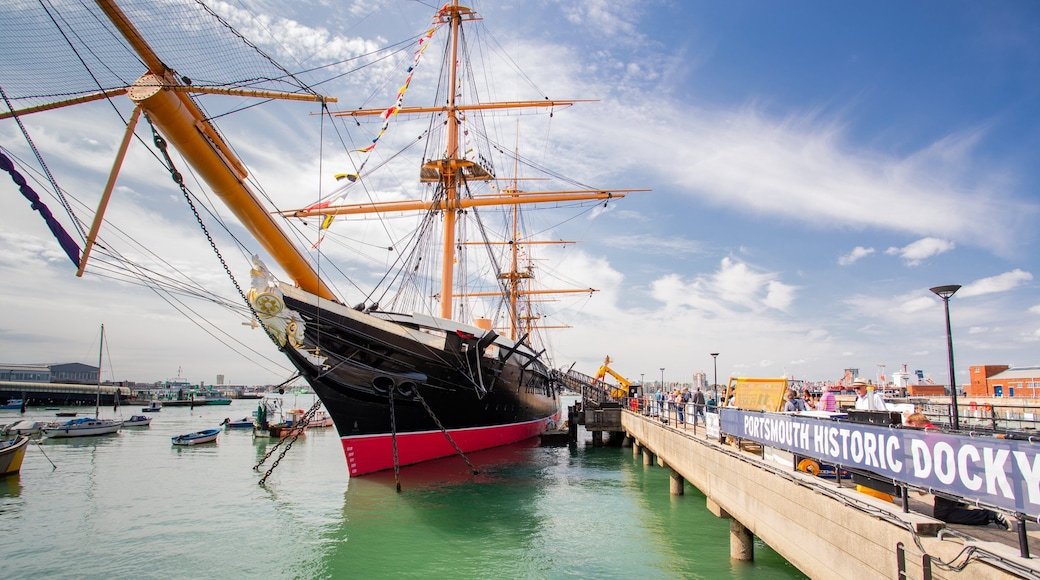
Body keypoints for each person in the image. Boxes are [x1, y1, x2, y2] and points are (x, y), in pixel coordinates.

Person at [904, 413, 1010, 530]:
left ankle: (989, 515)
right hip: (965, 475)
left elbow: (932, 466)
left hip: (952, 479)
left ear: (914, 425)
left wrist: (924, 486)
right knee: (948, 505)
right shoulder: (936, 431)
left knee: (943, 514)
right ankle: (960, 506)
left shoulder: (929, 439)